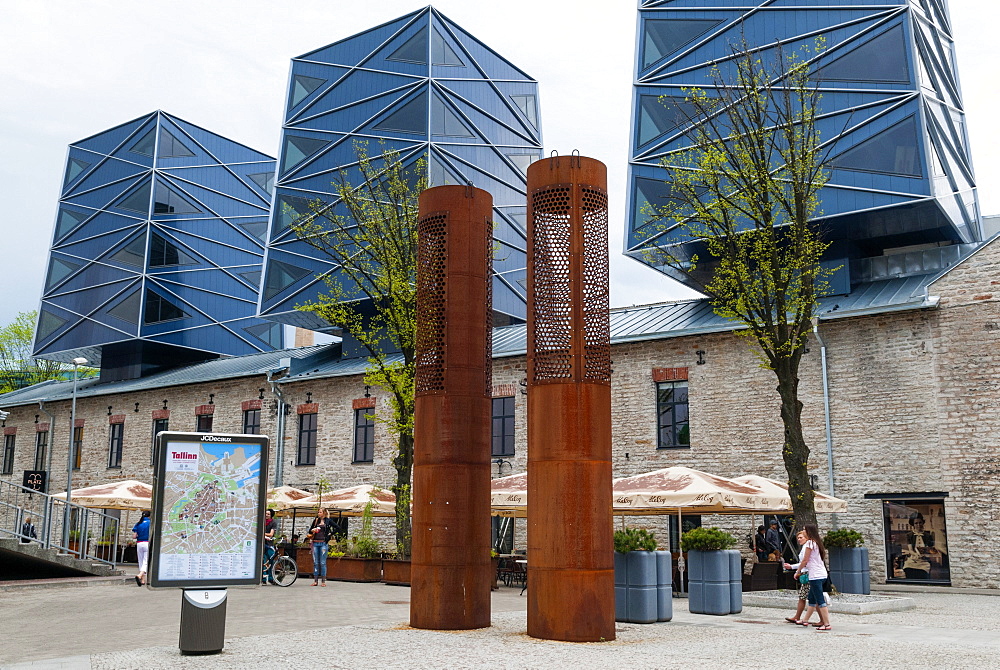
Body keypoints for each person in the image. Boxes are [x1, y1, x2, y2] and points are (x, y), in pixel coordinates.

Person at [784, 523, 831, 631]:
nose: (803, 531)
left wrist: (797, 571)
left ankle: (826, 624)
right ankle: (805, 619)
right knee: (812, 599)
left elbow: (805, 560)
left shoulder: (810, 543)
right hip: (822, 574)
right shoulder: (817, 543)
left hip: (815, 575)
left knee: (820, 601)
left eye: (805, 530)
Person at [309, 507, 335, 586]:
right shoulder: (316, 520)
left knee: (323, 562)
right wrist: (313, 530)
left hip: (323, 543)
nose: (319, 514)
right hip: (315, 543)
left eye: (320, 512)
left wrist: (330, 534)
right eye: (318, 512)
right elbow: (310, 530)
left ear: (324, 513)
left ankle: (323, 581)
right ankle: (315, 580)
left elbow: (338, 528)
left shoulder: (328, 521)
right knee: (316, 562)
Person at [133, 510, 151, 587]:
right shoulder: (150, 523)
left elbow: (134, 536)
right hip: (147, 542)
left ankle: (143, 580)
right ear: (149, 516)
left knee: (140, 561)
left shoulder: (138, 523)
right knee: (146, 561)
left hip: (139, 543)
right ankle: (140, 575)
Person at [261, 509, 277, 584]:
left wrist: (263, 533)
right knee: (263, 561)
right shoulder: (262, 522)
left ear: (271, 515)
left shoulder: (273, 522)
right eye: (266, 513)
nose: (266, 515)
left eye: (268, 514)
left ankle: (271, 578)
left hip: (269, 543)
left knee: (271, 561)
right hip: (262, 544)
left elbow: (271, 534)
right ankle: (263, 579)